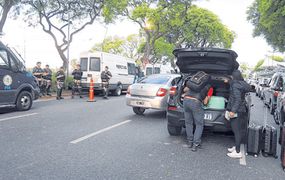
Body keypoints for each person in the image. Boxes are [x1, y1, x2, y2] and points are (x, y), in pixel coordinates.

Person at [226, 70, 251, 159]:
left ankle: (237, 152)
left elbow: (237, 100)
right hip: (241, 110)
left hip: (237, 110)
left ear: (234, 77)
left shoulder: (235, 85)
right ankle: (236, 147)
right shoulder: (241, 84)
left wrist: (233, 111)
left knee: (236, 131)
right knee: (237, 130)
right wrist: (228, 81)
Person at [183, 71, 211, 152]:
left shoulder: (194, 82)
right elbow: (205, 102)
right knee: (199, 124)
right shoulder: (209, 87)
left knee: (188, 123)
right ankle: (196, 144)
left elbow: (185, 89)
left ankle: (190, 142)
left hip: (186, 100)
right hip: (196, 102)